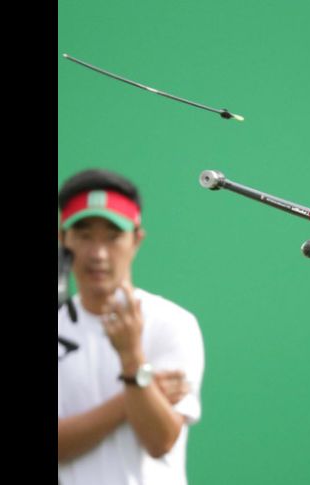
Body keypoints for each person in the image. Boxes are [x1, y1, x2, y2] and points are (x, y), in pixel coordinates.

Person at [58, 168, 205, 485]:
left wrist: (131, 357)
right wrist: (140, 389)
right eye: (84, 235)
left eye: (113, 237)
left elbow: (160, 441)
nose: (98, 254)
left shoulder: (173, 323)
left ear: (136, 240)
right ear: (63, 239)